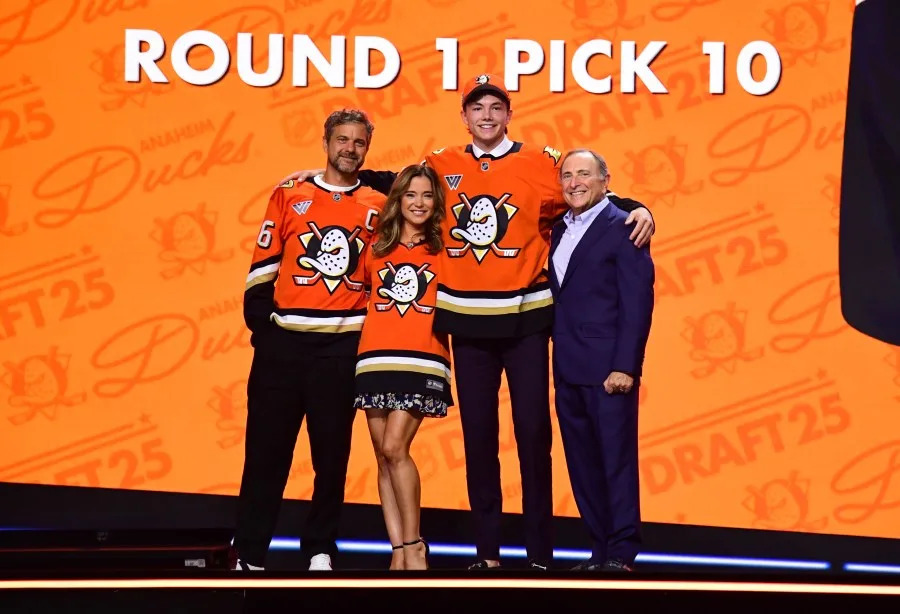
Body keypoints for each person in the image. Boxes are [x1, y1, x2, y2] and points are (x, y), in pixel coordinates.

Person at [278, 73, 655, 570]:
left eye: (496, 107)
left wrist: (637, 205)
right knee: (479, 445)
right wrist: (332, 178)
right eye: (477, 108)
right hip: (469, 326)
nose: (487, 116)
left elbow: (587, 196)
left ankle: (540, 556)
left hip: (525, 324)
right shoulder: (442, 163)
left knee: (533, 441)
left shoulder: (540, 164)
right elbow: (401, 183)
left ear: (508, 114)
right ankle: (488, 557)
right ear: (465, 116)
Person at [234, 109, 385, 571]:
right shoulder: (289, 194)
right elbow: (264, 262)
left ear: (367, 148)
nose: (350, 149)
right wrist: (266, 327)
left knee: (332, 456)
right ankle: (251, 551)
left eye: (359, 142)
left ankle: (320, 546)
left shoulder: (378, 203)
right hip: (283, 349)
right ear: (326, 142)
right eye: (342, 140)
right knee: (265, 453)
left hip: (339, 351)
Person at [548, 149, 655, 572]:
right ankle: (599, 550)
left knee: (616, 461)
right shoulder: (557, 229)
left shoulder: (623, 226)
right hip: (568, 367)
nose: (574, 182)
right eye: (568, 175)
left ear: (605, 181)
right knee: (583, 464)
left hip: (609, 369)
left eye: (585, 175)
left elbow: (637, 302)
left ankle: (623, 553)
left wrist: (626, 366)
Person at [355, 165, 452, 571]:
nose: (419, 203)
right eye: (410, 195)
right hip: (374, 357)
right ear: (397, 201)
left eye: (427, 195)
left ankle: (415, 545)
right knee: (382, 456)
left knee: (396, 447)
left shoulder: (447, 246)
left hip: (423, 358)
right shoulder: (375, 246)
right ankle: (397, 551)